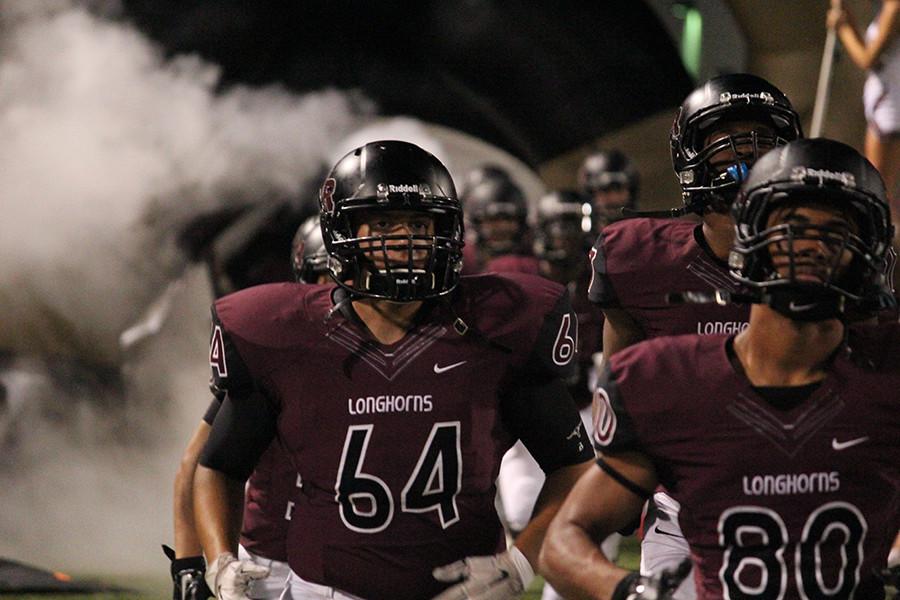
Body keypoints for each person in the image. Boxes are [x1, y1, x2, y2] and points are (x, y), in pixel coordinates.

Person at [193, 140, 594, 600]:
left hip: (459, 590)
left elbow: (574, 466)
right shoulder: (286, 334)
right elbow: (218, 466)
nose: (404, 240)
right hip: (323, 590)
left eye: (419, 224)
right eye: (383, 224)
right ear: (341, 231)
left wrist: (521, 563)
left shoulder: (497, 331)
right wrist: (218, 559)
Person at [540, 137, 900, 600]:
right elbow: (565, 540)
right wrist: (636, 592)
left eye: (836, 231)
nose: (811, 246)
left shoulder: (887, 371)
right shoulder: (674, 382)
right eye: (792, 226)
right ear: (749, 237)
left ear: (867, 254)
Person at [587, 73, 803, 598]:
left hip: (802, 505)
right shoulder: (640, 259)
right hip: (684, 517)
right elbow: (622, 388)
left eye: (763, 141)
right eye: (728, 140)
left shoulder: (820, 257)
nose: (748, 155)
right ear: (691, 156)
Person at [166, 214, 331, 600]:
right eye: (331, 276)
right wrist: (190, 566)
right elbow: (198, 463)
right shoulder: (275, 354)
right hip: (274, 559)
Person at [828, 0, 900, 205]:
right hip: (887, 101)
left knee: (876, 182)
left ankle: (876, 230)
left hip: (889, 105)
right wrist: (847, 20)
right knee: (879, 182)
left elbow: (867, 58)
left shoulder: (894, 7)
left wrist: (843, 29)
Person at [459, 165, 539, 275]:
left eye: (509, 219)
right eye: (494, 220)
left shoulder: (531, 258)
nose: (502, 227)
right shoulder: (464, 257)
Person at [577, 150, 639, 234]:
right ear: (591, 194)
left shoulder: (647, 238)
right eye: (605, 189)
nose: (614, 198)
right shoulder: (583, 243)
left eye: (618, 188)